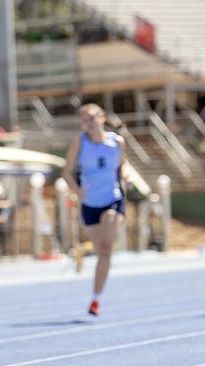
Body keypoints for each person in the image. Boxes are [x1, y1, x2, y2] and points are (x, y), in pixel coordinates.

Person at [62, 103, 127, 316]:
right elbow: (66, 172)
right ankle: (96, 292)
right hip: (90, 202)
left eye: (90, 118)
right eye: (83, 120)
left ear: (101, 118)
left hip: (113, 199)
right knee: (100, 252)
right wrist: (77, 190)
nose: (87, 123)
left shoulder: (117, 142)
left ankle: (95, 300)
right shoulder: (79, 143)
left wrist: (125, 177)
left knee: (107, 248)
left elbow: (121, 166)